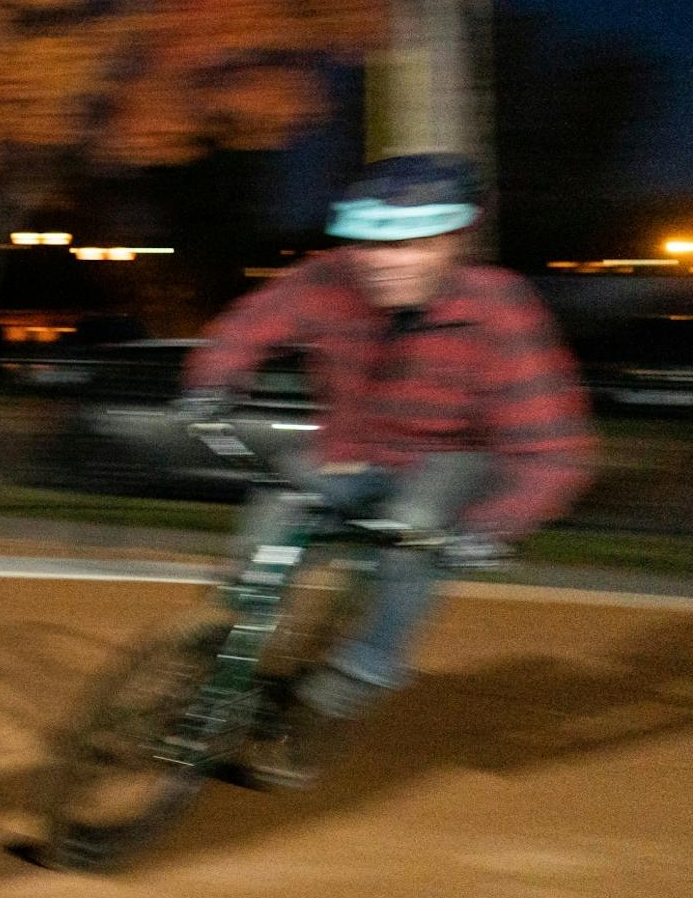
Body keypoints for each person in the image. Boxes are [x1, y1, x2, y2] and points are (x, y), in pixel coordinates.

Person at [178, 153, 596, 789]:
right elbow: (249, 327)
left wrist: (493, 528)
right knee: (281, 502)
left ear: (454, 241)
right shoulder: (327, 282)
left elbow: (556, 450)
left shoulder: (501, 311)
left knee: (415, 531)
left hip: (451, 459)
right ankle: (232, 645)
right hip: (352, 451)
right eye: (372, 243)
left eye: (412, 244)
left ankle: (344, 688)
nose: (386, 261)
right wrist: (213, 383)